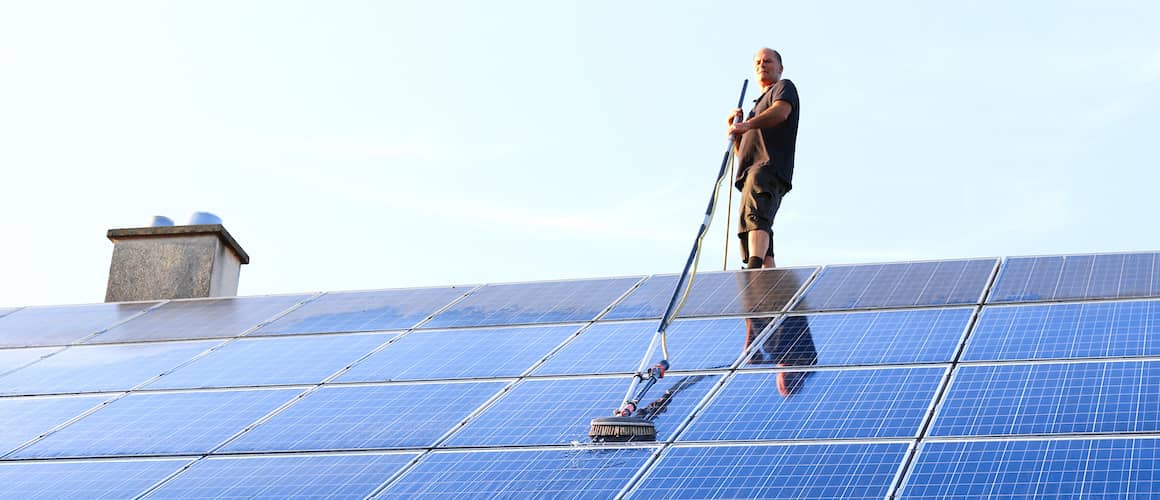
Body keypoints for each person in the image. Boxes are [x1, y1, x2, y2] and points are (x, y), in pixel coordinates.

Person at [728, 48, 800, 270]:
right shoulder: (754, 110)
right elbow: (745, 154)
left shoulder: (783, 88)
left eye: (768, 61)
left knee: (756, 216)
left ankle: (754, 265)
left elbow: (781, 113)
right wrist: (736, 132)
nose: (762, 64)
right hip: (752, 171)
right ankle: (767, 279)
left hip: (767, 169)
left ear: (780, 67)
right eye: (758, 61)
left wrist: (748, 124)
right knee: (754, 222)